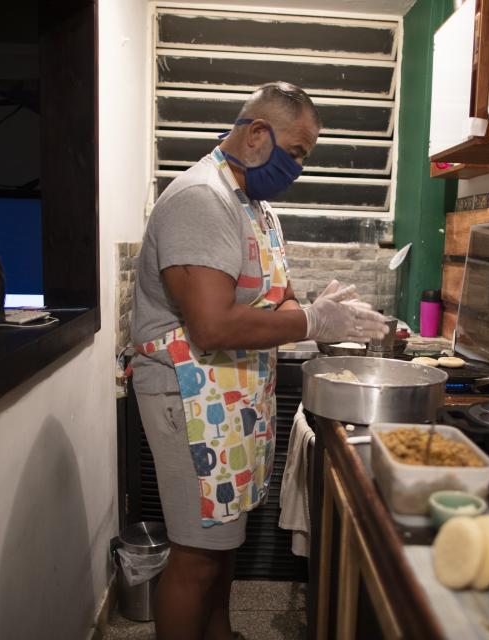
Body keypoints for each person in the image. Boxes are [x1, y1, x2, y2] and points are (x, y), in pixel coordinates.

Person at [129, 81, 387, 640]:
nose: (299, 167)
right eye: (297, 151)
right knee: (196, 553)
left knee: (224, 539)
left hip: (229, 395)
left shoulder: (255, 206)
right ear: (256, 134)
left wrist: (324, 316)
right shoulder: (201, 200)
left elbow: (280, 294)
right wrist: (311, 321)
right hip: (188, 397)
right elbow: (212, 324)